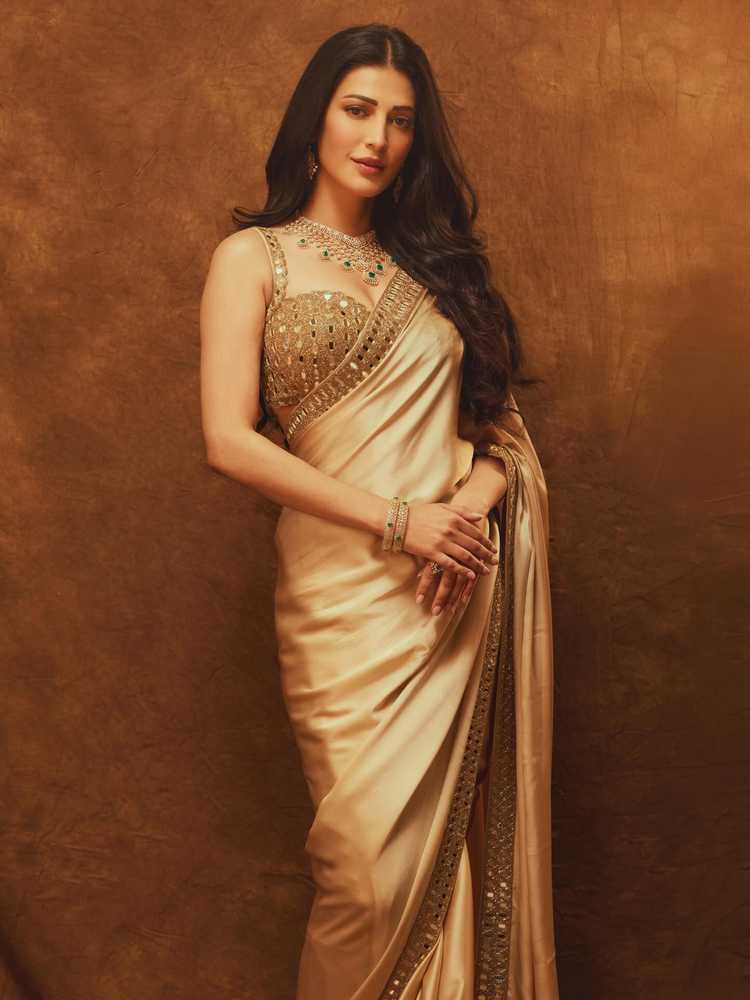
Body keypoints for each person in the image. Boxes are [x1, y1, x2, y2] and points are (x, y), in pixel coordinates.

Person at [199, 22, 559, 1000]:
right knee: (367, 876)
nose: (378, 137)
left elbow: (503, 435)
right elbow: (229, 440)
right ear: (314, 117)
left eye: (401, 121)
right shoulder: (253, 258)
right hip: (339, 603)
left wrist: (468, 511)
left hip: (447, 594)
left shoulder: (439, 274)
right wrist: (400, 522)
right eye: (358, 110)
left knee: (444, 862)